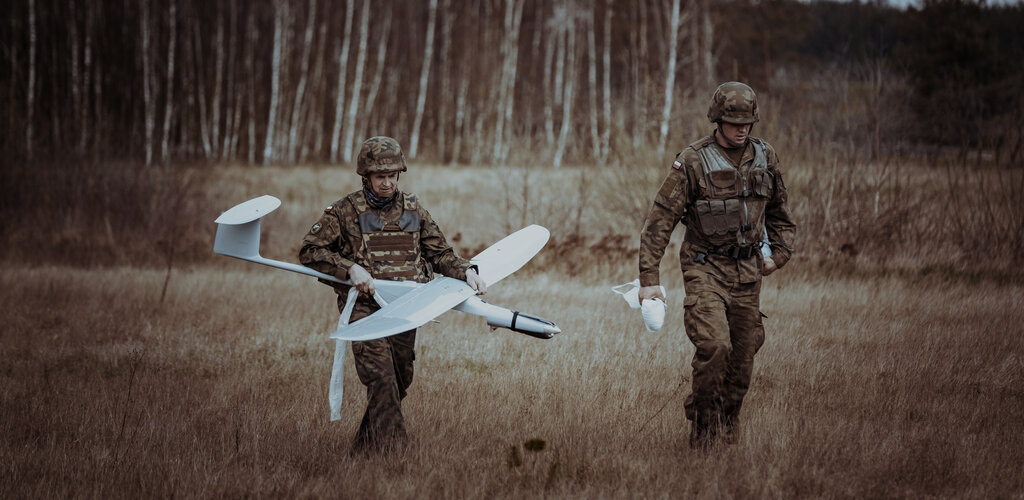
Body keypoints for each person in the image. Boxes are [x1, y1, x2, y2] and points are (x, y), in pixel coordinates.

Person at [299, 136, 486, 453]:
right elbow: (310, 251)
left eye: (392, 176)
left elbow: (440, 254)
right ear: (366, 176)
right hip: (365, 311)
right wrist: (349, 269)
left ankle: (364, 452)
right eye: (379, 176)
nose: (387, 183)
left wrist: (467, 271)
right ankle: (395, 456)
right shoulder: (344, 212)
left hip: (406, 307)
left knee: (400, 379)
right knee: (381, 377)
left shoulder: (413, 210)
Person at [637, 82, 796, 450]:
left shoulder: (765, 157)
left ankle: (727, 428)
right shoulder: (693, 161)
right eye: (733, 121)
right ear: (717, 120)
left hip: (748, 273)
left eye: (747, 122)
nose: (742, 129)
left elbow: (781, 214)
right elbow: (660, 220)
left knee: (743, 356)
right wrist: (649, 278)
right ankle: (702, 429)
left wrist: (779, 256)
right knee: (714, 346)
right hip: (704, 267)